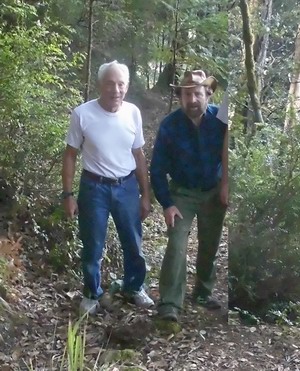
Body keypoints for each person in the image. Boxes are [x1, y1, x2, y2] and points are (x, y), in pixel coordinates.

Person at [62, 60, 154, 315]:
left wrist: (145, 194)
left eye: (121, 84)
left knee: (133, 242)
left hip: (126, 187)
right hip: (94, 187)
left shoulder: (133, 112)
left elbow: (139, 155)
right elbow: (70, 155)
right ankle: (92, 293)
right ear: (100, 85)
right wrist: (68, 194)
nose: (116, 89)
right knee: (92, 243)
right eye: (110, 84)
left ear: (127, 86)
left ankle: (133, 287)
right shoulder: (82, 114)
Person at [150, 70, 228, 322]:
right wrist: (167, 204)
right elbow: (157, 169)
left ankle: (203, 292)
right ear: (180, 97)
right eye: (186, 94)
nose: (192, 99)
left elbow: (232, 155)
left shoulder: (221, 119)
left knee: (210, 244)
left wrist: (227, 184)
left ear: (207, 94)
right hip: (181, 192)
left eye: (196, 93)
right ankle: (171, 302)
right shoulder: (170, 125)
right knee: (177, 244)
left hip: (213, 191)